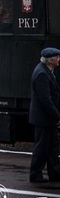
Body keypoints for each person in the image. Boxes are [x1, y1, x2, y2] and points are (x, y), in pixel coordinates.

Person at [29, 47, 60, 183]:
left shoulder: (46, 70)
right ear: (51, 59)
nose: (59, 59)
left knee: (52, 147)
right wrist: (57, 116)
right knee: (41, 148)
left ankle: (55, 173)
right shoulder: (42, 73)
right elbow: (45, 100)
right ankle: (35, 175)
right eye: (57, 57)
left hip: (47, 118)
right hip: (43, 118)